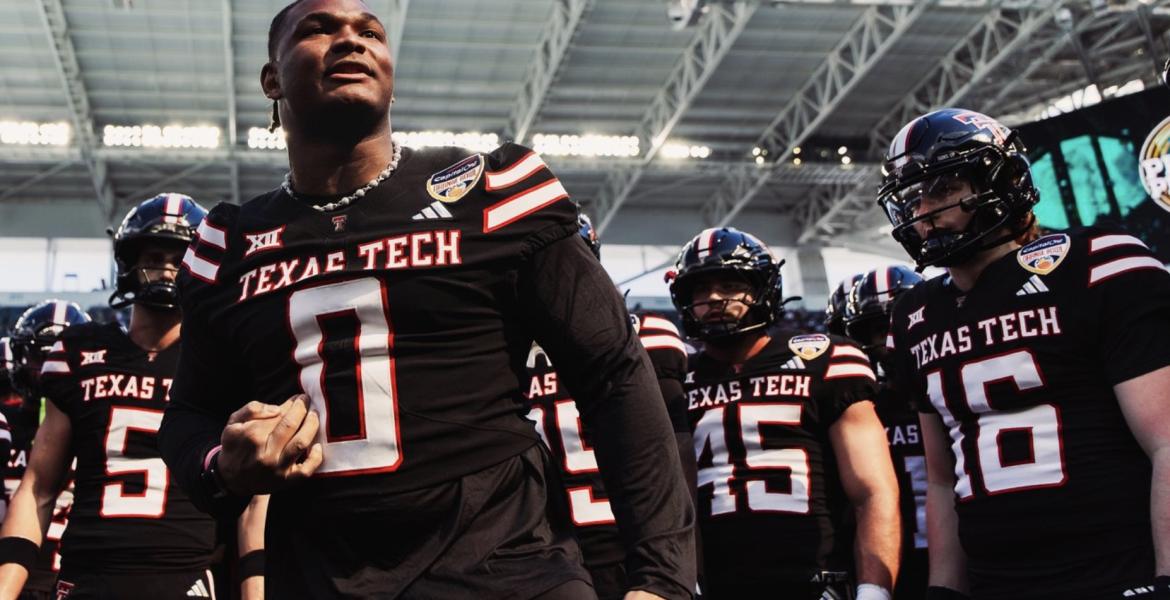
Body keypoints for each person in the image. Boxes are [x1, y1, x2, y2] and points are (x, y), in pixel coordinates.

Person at [157, 1, 695, 599]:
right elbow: (188, 415)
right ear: (271, 79)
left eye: (370, 33)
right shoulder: (228, 241)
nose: (351, 42)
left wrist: (663, 577)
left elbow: (615, 375)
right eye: (319, 29)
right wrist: (220, 466)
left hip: (506, 564)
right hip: (319, 573)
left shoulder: (491, 190)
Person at [879, 108, 1170, 599]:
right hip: (997, 583)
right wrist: (944, 590)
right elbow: (944, 481)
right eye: (913, 198)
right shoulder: (914, 313)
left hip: (1117, 575)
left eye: (944, 189)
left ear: (1002, 179)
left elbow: (1166, 440)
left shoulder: (1098, 264)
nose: (924, 212)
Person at [0, 195, 225, 600]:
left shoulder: (219, 359)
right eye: (156, 256)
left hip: (184, 573)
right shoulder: (78, 351)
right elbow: (39, 488)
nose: (168, 270)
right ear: (128, 262)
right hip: (89, 573)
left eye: (180, 259)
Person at [668, 227, 900, 599]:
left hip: (814, 580)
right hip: (713, 583)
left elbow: (872, 490)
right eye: (699, 289)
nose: (712, 298)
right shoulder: (677, 377)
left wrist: (875, 589)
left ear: (763, 288)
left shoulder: (825, 358)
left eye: (729, 286)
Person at [525, 216, 696, 600]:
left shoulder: (647, 334)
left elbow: (675, 453)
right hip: (545, 559)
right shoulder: (496, 353)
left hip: (625, 548)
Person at [843, 266, 928, 599]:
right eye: (879, 330)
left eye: (900, 321)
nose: (890, 339)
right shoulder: (861, 409)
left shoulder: (955, 391)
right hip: (889, 563)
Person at [1, 301, 90, 600]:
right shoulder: (6, 424)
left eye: (60, 354)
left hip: (72, 580)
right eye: (41, 354)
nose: (50, 368)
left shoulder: (99, 429)